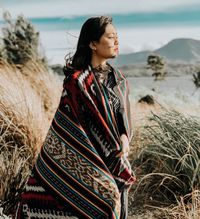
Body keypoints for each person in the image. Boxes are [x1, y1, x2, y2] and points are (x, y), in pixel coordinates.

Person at [14, 16, 136, 219]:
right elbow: (66, 124)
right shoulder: (76, 82)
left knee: (117, 203)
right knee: (102, 202)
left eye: (117, 36)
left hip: (114, 157)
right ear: (93, 44)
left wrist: (124, 137)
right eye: (110, 36)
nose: (117, 41)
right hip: (83, 156)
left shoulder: (120, 81)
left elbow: (123, 116)